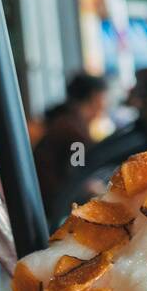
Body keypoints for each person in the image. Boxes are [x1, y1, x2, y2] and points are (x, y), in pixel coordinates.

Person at [33, 73, 109, 206]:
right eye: (104, 98)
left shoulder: (63, 121)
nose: (106, 105)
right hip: (51, 207)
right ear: (94, 97)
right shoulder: (74, 131)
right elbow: (77, 174)